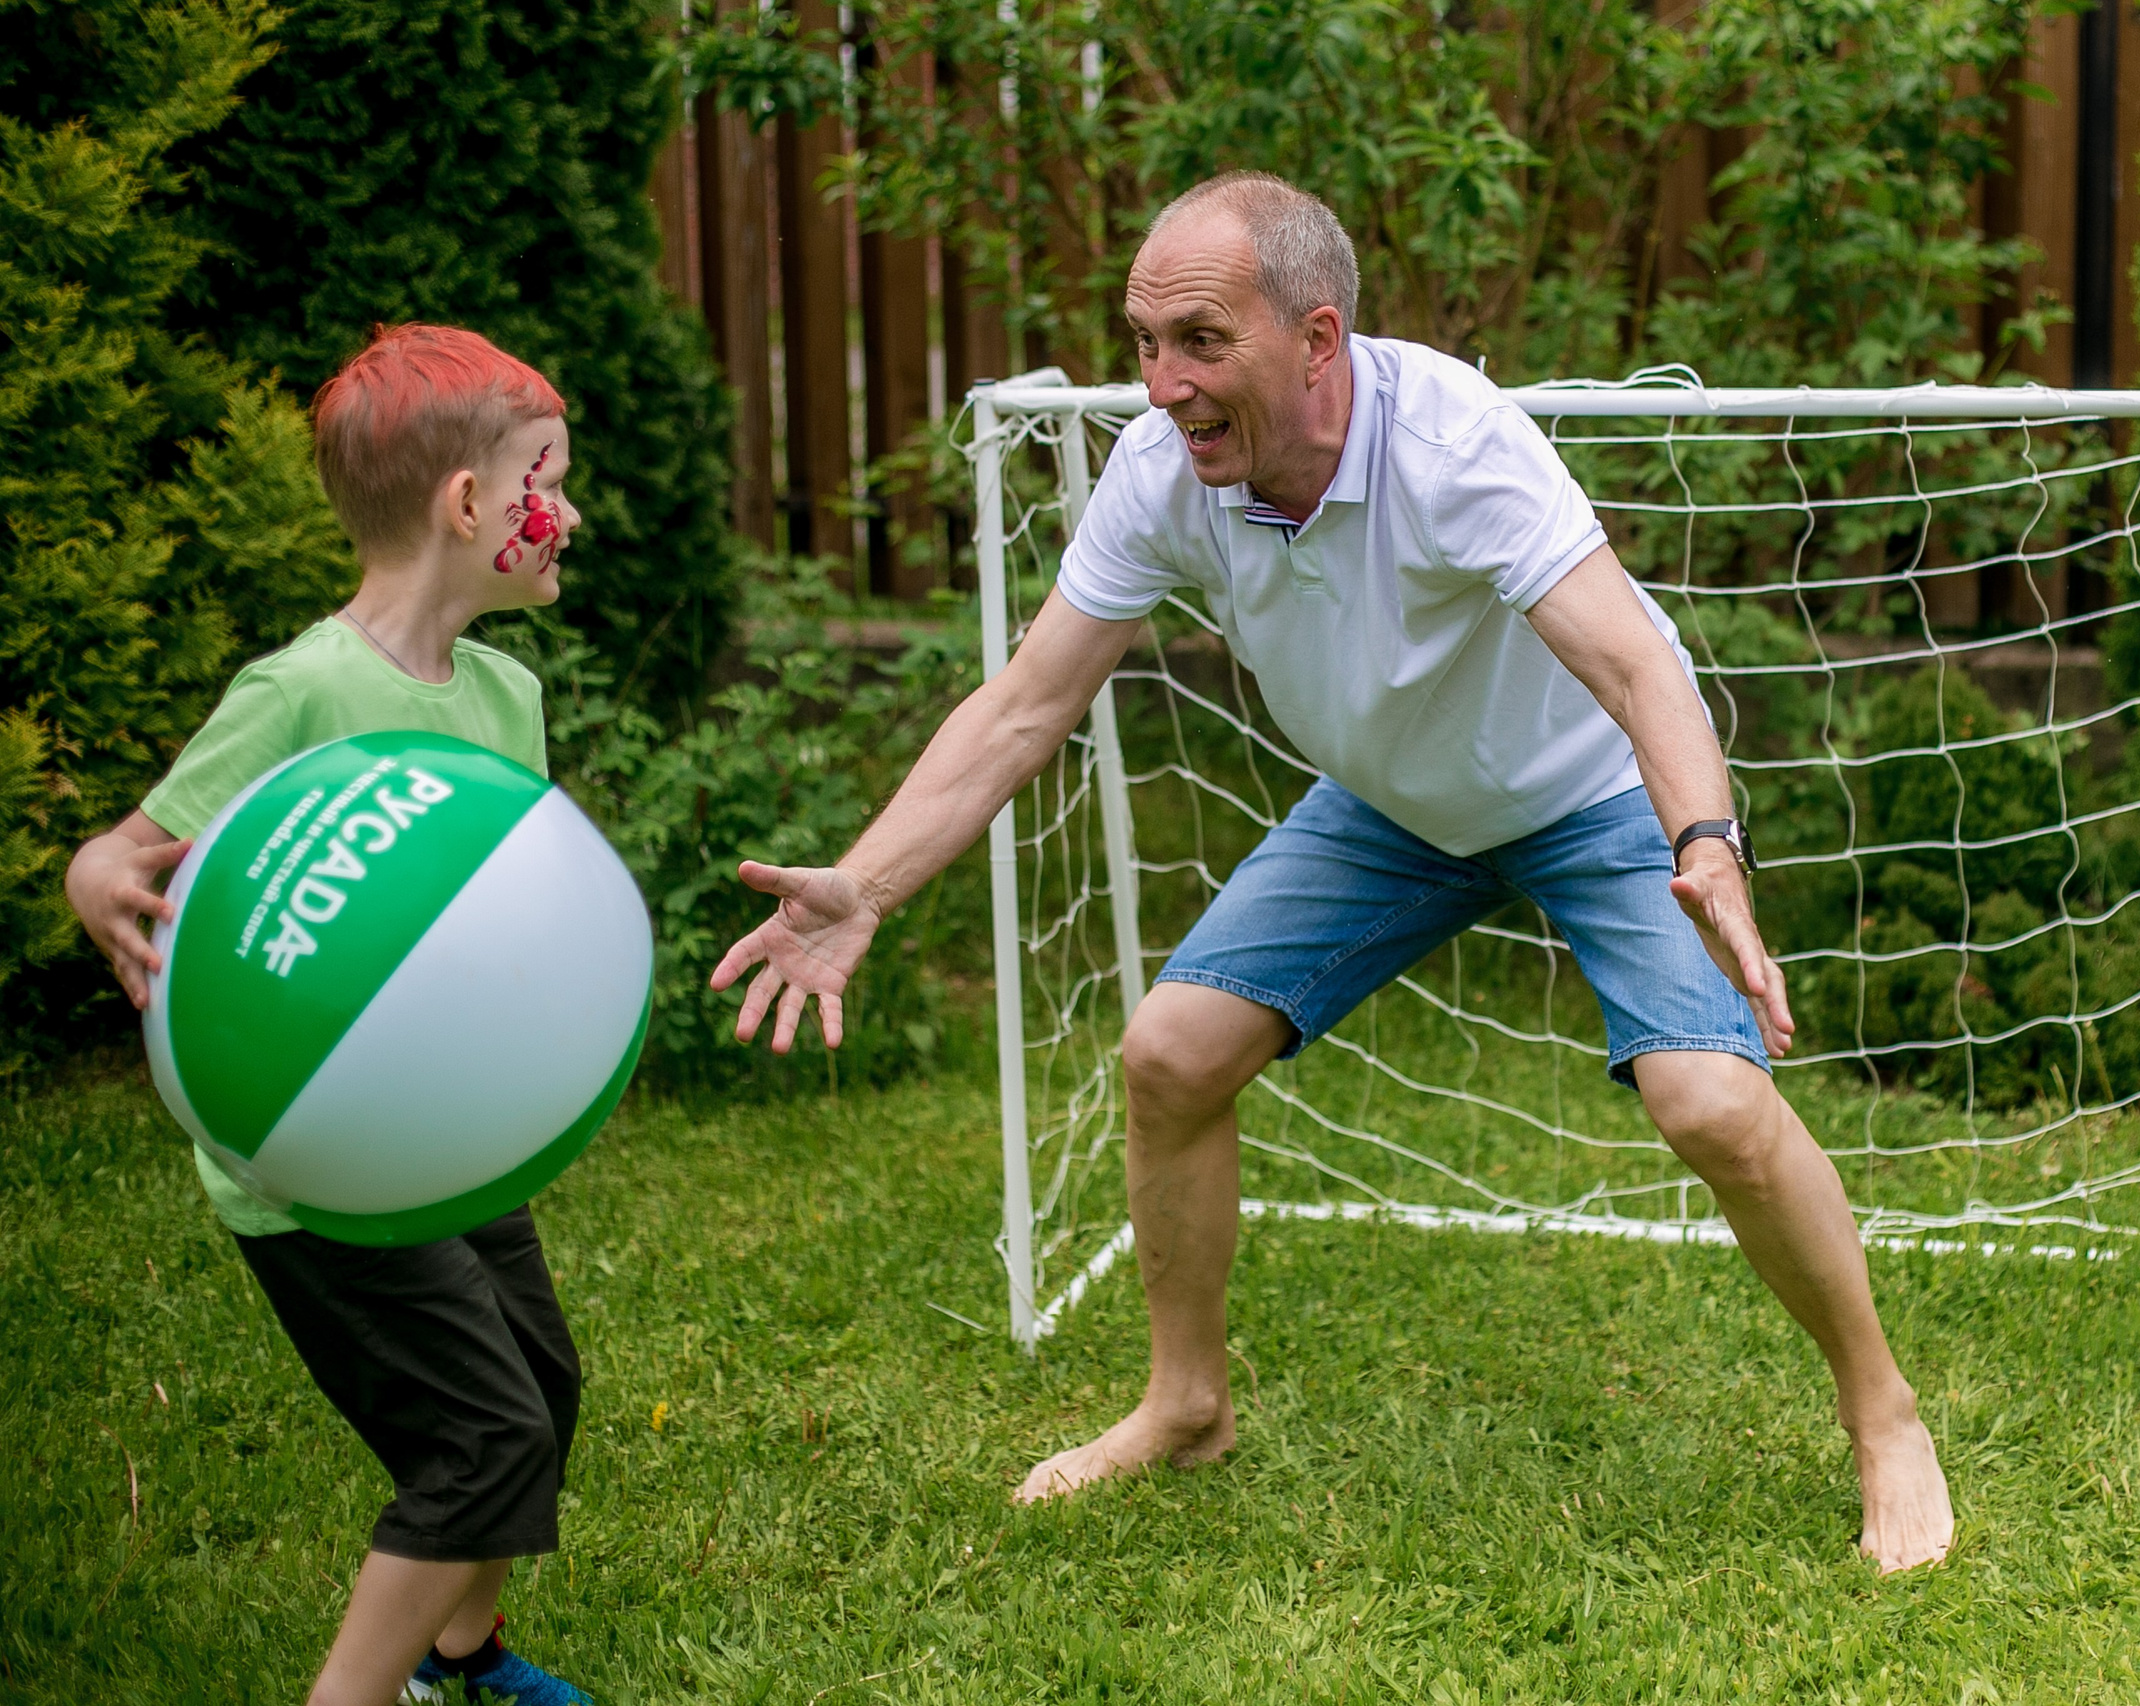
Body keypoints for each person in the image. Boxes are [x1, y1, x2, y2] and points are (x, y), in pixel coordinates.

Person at [714, 172, 1958, 1573]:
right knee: (1170, 1055)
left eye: (1197, 341)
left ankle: (1882, 1409)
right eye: (1140, 341)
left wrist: (1706, 844)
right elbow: (1024, 704)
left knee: (1714, 1105)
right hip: (1390, 803)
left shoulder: (1452, 443)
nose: (1162, 384)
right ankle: (1186, 1405)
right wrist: (864, 884)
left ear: (1316, 339)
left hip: (1585, 792)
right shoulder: (1164, 470)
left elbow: (1629, 661)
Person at [65, 325, 598, 1704]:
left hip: (450, 1132)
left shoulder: (506, 696)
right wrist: (97, 874)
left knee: (538, 1390)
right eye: (550, 480)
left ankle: (461, 1658)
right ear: (469, 506)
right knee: (479, 1433)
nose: (573, 513)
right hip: (313, 1153)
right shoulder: (302, 693)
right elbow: (134, 846)